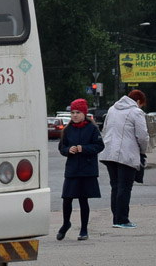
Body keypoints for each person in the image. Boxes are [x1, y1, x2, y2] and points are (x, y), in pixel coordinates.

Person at [100, 88, 149, 229]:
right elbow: (142, 136)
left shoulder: (112, 110)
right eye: (142, 104)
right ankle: (122, 219)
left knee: (115, 187)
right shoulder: (136, 112)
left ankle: (116, 218)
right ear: (139, 101)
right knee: (125, 188)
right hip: (126, 154)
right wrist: (142, 151)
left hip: (109, 153)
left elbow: (105, 129)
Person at [57, 98, 104, 241]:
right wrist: (67, 150)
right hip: (72, 170)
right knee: (67, 199)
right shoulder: (67, 129)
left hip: (87, 170)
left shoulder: (92, 129)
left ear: (84, 113)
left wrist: (84, 149)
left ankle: (84, 229)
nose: (75, 115)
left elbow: (99, 146)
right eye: (72, 113)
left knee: (83, 200)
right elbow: (61, 147)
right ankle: (66, 224)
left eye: (78, 112)